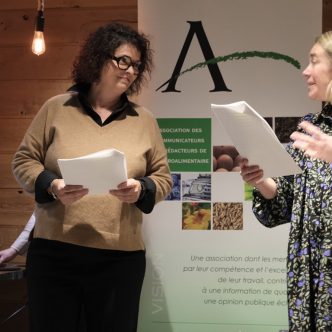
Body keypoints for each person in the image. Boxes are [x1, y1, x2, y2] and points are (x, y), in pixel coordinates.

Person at [11, 22, 172, 332]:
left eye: (137, 65)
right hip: (55, 255)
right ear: (98, 58)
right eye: (122, 60)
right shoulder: (56, 108)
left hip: (120, 260)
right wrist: (53, 185)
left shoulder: (145, 120)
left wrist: (141, 189)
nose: (130, 70)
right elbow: (23, 160)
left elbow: (163, 177)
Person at [240, 30, 332, 332]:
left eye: (314, 61)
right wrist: (264, 182)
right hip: (310, 271)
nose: (305, 71)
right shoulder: (312, 126)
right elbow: (290, 200)